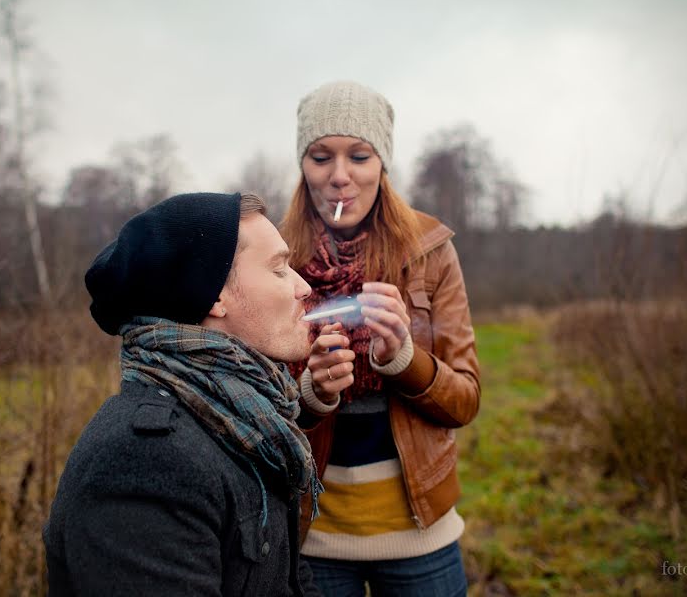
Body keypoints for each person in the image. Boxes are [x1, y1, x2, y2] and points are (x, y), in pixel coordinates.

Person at [43, 192, 328, 596]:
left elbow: (293, 585)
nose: (304, 286)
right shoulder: (143, 461)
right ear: (215, 295)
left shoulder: (253, 423)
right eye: (279, 269)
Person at [280, 80, 482, 597]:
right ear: (303, 166)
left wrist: (403, 359)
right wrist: (314, 394)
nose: (340, 177)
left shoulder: (431, 251)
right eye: (321, 156)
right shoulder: (273, 258)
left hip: (421, 535)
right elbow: (253, 407)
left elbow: (464, 400)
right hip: (312, 534)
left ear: (382, 165)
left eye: (360, 156)